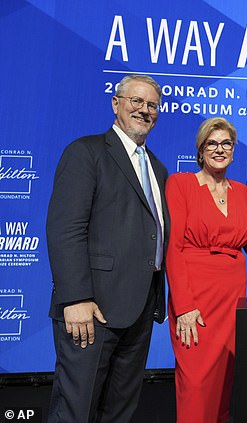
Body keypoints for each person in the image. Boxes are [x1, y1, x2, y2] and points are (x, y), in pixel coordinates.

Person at [46, 74, 168, 422]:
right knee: (76, 409)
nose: (144, 110)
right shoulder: (86, 152)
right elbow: (65, 229)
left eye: (151, 105)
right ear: (116, 104)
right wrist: (75, 298)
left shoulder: (157, 168)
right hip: (91, 309)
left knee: (119, 412)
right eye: (136, 101)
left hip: (139, 312)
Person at [165, 117, 247, 422]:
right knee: (195, 383)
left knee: (223, 383)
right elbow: (173, 249)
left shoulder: (243, 193)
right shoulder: (180, 184)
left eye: (226, 143)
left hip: (232, 298)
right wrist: (185, 306)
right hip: (195, 298)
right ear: (201, 150)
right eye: (212, 143)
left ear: (234, 150)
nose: (220, 149)